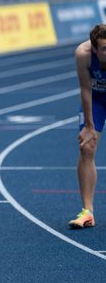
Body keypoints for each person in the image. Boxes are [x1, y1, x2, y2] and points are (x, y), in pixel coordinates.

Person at [70, 24, 106, 229]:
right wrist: (90, 127)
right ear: (94, 48)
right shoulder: (82, 55)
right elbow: (86, 90)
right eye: (104, 49)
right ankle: (87, 212)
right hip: (97, 100)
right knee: (86, 147)